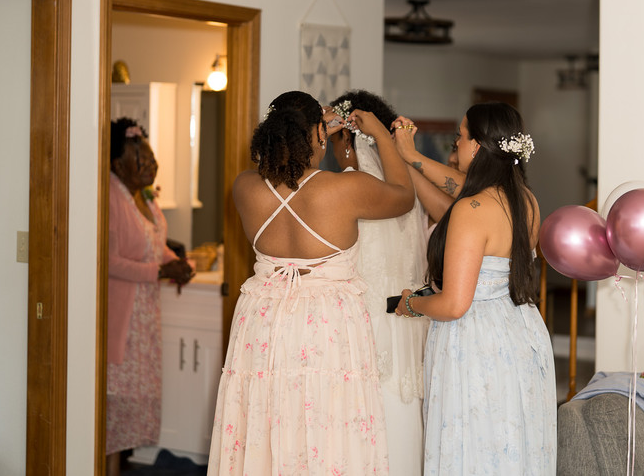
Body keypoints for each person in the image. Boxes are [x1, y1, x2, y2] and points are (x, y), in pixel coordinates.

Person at [208, 90, 416, 475]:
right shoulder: (343, 189)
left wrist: (316, 131)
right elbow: (404, 197)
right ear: (318, 133)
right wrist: (383, 138)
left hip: (264, 322)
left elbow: (279, 166)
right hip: (326, 326)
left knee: (269, 416)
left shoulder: (244, 187)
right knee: (324, 418)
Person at [395, 102, 557, 474]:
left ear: (479, 146)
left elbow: (454, 304)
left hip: (477, 342)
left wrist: (411, 304)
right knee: (511, 443)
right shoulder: (525, 201)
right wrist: (408, 157)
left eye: (461, 136)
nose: (457, 142)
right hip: (521, 333)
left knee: (475, 446)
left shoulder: (473, 208)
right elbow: (452, 187)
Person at [328, 90, 430, 476]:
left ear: (346, 139)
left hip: (363, 320)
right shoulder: (405, 187)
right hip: (403, 319)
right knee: (399, 412)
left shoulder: (351, 186)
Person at [106, 117, 194, 476]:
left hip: (145, 320)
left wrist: (176, 263)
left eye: (150, 155)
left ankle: (116, 469)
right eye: (140, 157)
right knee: (113, 411)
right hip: (122, 320)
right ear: (117, 164)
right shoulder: (110, 196)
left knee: (130, 411)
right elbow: (107, 261)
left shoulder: (144, 195)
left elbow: (154, 247)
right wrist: (159, 272)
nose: (150, 163)